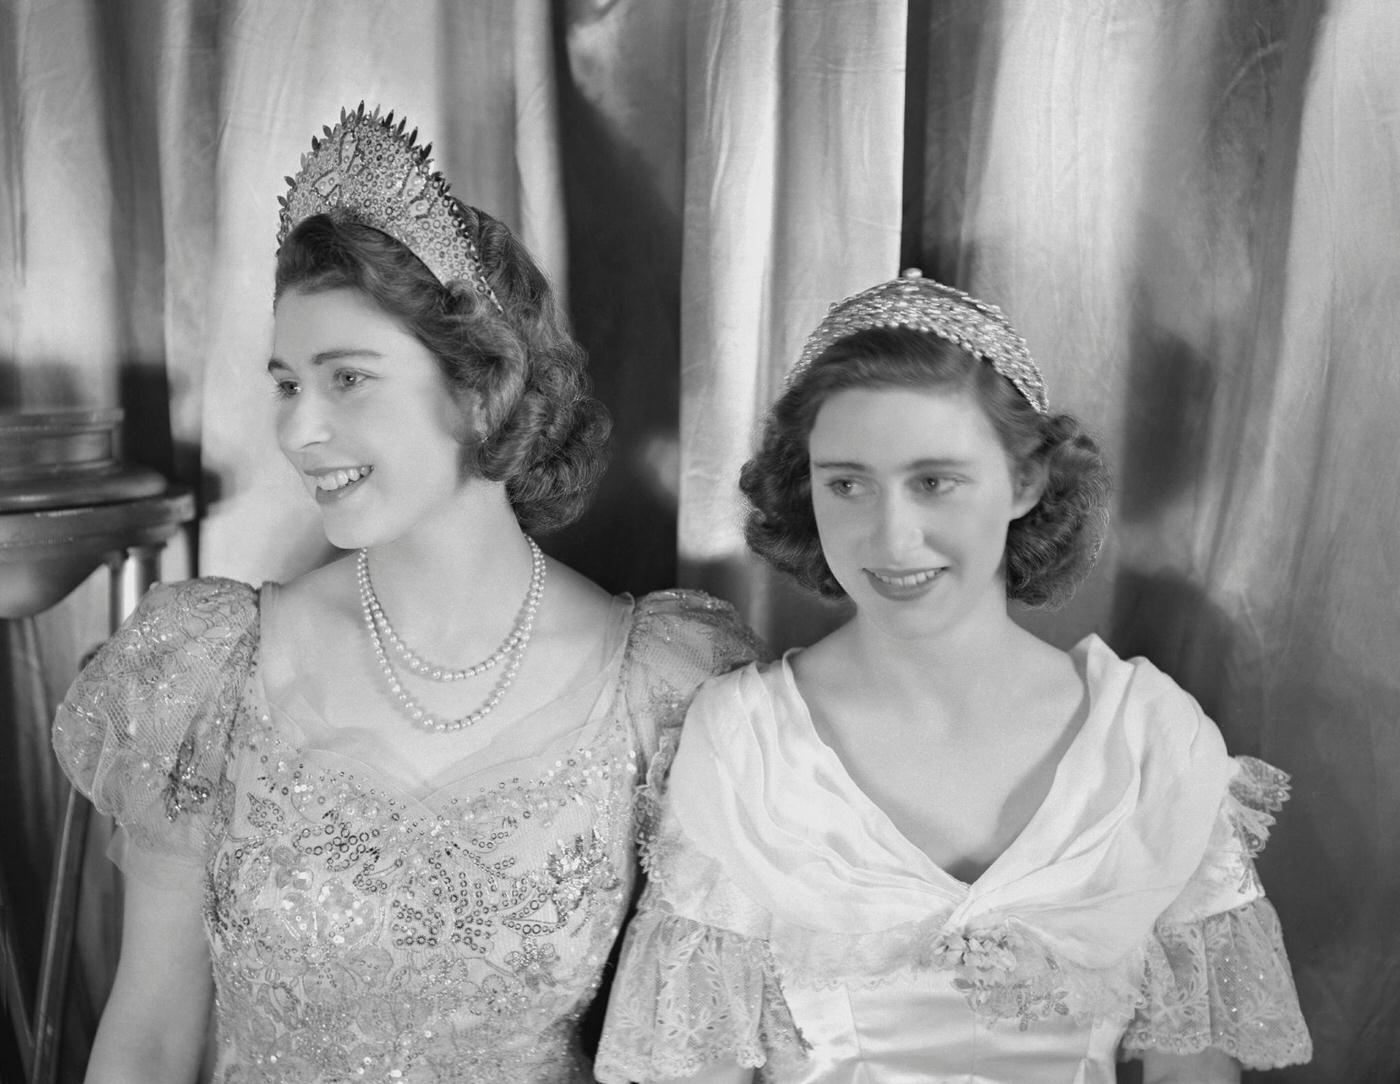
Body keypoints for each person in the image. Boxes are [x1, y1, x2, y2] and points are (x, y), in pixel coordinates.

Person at [52, 103, 758, 1083]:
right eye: (287, 383)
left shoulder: (667, 687)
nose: (299, 431)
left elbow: (691, 1054)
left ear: (481, 384)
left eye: (347, 379)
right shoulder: (209, 666)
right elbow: (148, 1037)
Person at [594, 271, 1312, 1083]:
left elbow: (1195, 1074)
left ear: (1027, 481)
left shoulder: (1148, 739)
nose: (892, 538)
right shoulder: (744, 745)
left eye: (934, 481)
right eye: (847, 483)